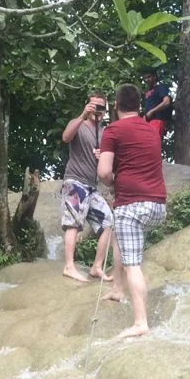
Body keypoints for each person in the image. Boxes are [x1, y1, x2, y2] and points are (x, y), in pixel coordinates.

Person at [97, 83, 167, 339]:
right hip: (158, 205)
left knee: (133, 264)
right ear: (139, 105)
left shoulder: (112, 130)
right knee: (119, 236)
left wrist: (114, 182)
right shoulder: (151, 131)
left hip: (132, 206)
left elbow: (104, 172)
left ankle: (140, 323)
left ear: (116, 106)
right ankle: (117, 288)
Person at [59, 91, 114, 283]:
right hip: (75, 181)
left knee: (109, 222)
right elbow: (66, 137)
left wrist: (103, 157)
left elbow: (110, 163)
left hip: (92, 186)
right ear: (87, 105)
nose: (97, 111)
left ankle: (97, 267)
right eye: (94, 106)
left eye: (101, 107)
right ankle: (69, 266)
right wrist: (82, 115)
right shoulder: (78, 123)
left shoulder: (105, 132)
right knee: (73, 222)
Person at [141, 70, 173, 142]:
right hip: (147, 122)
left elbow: (166, 102)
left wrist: (151, 112)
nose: (146, 80)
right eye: (145, 78)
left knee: (153, 143)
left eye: (148, 77)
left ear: (154, 76)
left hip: (157, 120)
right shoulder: (147, 92)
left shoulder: (160, 88)